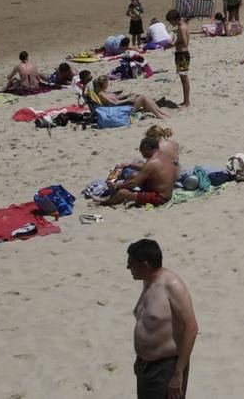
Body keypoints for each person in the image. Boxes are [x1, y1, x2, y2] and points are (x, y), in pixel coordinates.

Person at [127, 238, 197, 399]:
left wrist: (178, 374)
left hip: (166, 368)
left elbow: (191, 328)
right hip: (144, 366)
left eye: (131, 263)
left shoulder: (172, 285)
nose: (128, 267)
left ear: (145, 265)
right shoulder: (148, 281)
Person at [103, 138, 178, 208]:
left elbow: (134, 183)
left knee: (122, 193)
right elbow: (146, 168)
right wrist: (129, 164)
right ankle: (116, 193)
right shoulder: (162, 156)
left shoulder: (151, 163)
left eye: (141, 150)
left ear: (147, 149)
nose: (140, 152)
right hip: (166, 192)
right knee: (133, 175)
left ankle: (105, 203)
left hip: (160, 198)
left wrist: (118, 186)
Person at [86, 75, 169, 120]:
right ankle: (158, 114)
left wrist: (127, 95)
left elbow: (116, 99)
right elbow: (113, 103)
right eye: (107, 82)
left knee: (142, 96)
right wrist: (129, 99)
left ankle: (159, 112)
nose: (108, 84)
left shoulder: (105, 92)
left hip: (121, 107)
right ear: (104, 84)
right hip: (120, 111)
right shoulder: (101, 94)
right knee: (143, 97)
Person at [168, 8, 191, 108]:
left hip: (182, 55)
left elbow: (185, 43)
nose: (170, 23)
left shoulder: (181, 27)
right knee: (183, 79)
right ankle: (185, 101)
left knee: (184, 79)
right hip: (182, 55)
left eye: (171, 21)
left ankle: (187, 102)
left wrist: (173, 44)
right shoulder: (183, 24)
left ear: (175, 19)